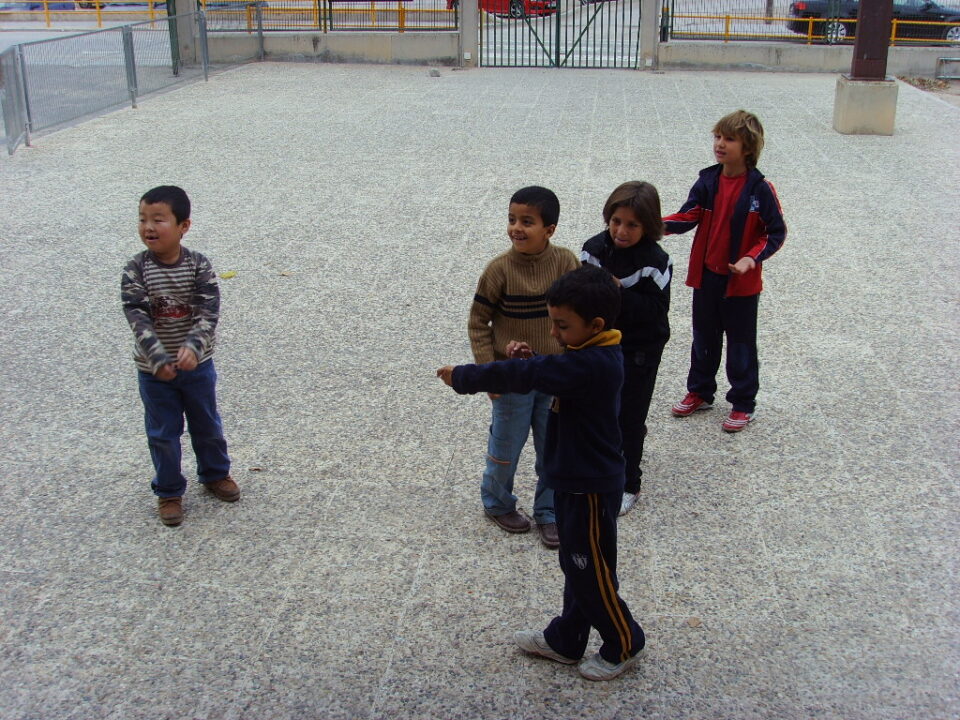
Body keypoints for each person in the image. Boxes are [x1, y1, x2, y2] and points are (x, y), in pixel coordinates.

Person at [438, 265, 645, 682]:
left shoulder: (593, 364)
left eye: (562, 326)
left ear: (596, 325)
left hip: (587, 487)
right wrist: (534, 359)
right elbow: (550, 372)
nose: (553, 334)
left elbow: (530, 377)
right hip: (575, 482)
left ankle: (624, 642)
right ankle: (567, 640)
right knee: (579, 566)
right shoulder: (588, 354)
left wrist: (465, 376)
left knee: (591, 570)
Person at [467, 186, 579, 548]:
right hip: (512, 380)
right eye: (512, 219)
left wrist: (577, 366)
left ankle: (550, 511)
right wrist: (489, 373)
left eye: (527, 222)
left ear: (550, 229)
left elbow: (579, 315)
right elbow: (478, 323)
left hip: (555, 378)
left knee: (554, 448)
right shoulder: (498, 270)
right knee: (505, 447)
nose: (516, 228)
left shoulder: (565, 263)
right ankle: (497, 503)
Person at [121, 185, 239, 526]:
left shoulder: (199, 265)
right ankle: (169, 491)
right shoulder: (136, 269)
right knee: (163, 433)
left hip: (197, 367)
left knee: (207, 424)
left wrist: (193, 346)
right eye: (142, 219)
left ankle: (216, 474)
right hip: (153, 372)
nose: (148, 227)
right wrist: (158, 358)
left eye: (159, 219)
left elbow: (208, 311)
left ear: (183, 225)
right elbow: (136, 314)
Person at [663, 109, 787, 433]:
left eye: (729, 139)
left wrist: (750, 259)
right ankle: (701, 391)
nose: (720, 144)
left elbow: (775, 233)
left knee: (741, 342)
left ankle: (744, 402)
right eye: (717, 136)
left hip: (741, 284)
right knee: (703, 336)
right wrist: (655, 226)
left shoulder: (760, 189)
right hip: (706, 277)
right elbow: (689, 215)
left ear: (747, 147)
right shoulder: (708, 180)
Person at [581, 181, 671, 516]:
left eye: (632, 224)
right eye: (616, 221)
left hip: (640, 349)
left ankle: (628, 482)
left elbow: (655, 311)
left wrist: (618, 292)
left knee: (630, 417)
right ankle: (598, 462)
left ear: (648, 225)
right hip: (600, 346)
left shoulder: (656, 261)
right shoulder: (593, 249)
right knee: (597, 408)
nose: (621, 230)